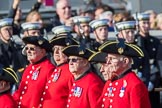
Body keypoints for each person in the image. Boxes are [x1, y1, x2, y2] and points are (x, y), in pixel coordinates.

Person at [93, 40, 151, 108]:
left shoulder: (135, 85)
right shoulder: (110, 82)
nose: (108, 62)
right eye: (107, 59)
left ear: (125, 61)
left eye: (112, 59)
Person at [39, 26, 78, 108]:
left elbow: (74, 100)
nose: (56, 52)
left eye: (60, 49)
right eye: (55, 49)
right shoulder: (56, 70)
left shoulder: (71, 71)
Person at [13, 36, 55, 108]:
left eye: (32, 49)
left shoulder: (49, 69)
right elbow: (20, 91)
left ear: (43, 51)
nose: (28, 51)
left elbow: (49, 97)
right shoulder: (28, 68)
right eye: (27, 48)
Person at [133, 12, 161, 108]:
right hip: (137, 81)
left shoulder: (155, 42)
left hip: (152, 84)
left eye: (147, 23)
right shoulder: (134, 42)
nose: (146, 25)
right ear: (138, 25)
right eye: (143, 23)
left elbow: (158, 64)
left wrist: (152, 81)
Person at [115, 18, 150, 87]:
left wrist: (144, 84)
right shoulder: (116, 51)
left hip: (138, 84)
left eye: (132, 32)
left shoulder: (141, 50)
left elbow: (146, 71)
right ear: (120, 34)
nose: (131, 35)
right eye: (127, 32)